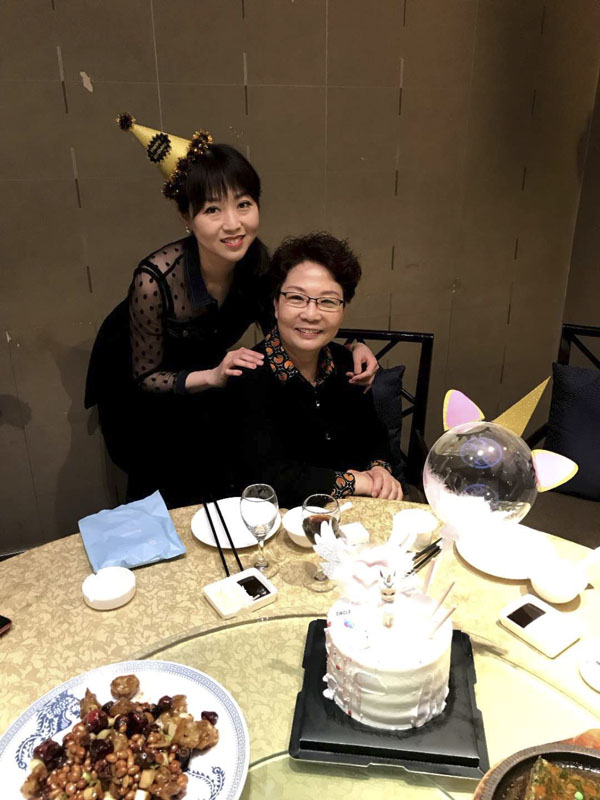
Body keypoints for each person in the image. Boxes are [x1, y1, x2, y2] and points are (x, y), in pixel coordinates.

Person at [85, 115, 378, 508]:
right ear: (186, 217)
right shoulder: (154, 279)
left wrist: (353, 346)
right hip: (140, 386)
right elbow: (146, 377)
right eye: (212, 210)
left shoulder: (256, 262)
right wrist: (212, 375)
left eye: (243, 204)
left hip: (208, 378)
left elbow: (295, 324)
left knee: (218, 465)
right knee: (161, 481)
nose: (233, 224)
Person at [228, 232, 404, 508]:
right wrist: (355, 482)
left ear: (343, 309)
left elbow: (374, 434)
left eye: (328, 301)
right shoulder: (248, 374)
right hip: (279, 519)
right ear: (276, 304)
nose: (311, 314)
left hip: (354, 513)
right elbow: (267, 476)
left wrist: (380, 470)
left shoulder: (347, 363)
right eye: (297, 298)